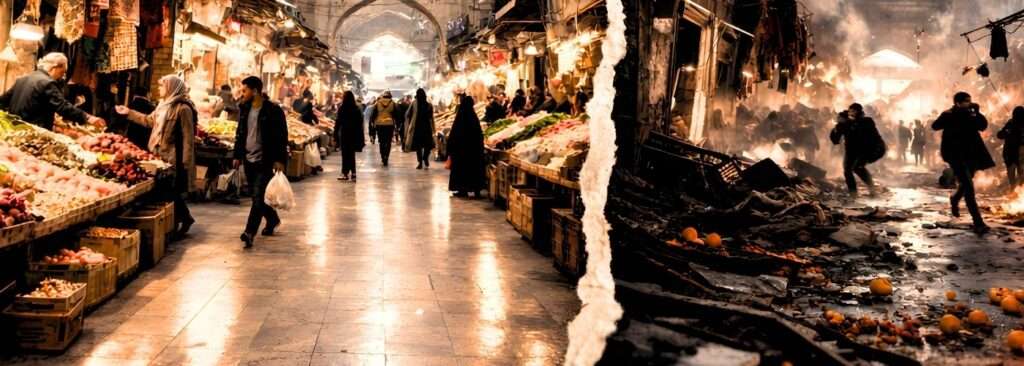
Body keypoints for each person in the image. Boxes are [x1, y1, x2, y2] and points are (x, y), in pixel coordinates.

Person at [115, 75, 197, 238]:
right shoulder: (162, 106)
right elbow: (148, 121)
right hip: (157, 155)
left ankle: (177, 223)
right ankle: (182, 220)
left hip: (172, 157)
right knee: (166, 191)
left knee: (171, 191)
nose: (159, 89)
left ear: (171, 87)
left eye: (162, 86)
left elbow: (188, 138)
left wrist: (186, 163)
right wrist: (129, 113)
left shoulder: (183, 109)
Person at [233, 76, 289, 248]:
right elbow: (240, 133)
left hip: (266, 159)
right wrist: (237, 155)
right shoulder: (244, 108)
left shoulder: (273, 110)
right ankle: (272, 219)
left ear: (255, 91)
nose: (242, 94)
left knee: (257, 198)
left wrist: (280, 159)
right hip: (249, 159)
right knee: (256, 196)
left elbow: (281, 136)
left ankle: (249, 233)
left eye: (245, 90)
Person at [933, 92, 994, 234]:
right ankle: (978, 222)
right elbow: (935, 126)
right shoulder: (948, 114)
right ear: (957, 103)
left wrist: (977, 113)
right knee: (968, 187)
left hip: (971, 155)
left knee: (966, 183)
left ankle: (954, 199)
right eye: (966, 101)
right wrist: (944, 115)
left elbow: (982, 126)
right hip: (955, 155)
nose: (969, 103)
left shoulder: (971, 114)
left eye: (970, 101)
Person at [0, 52, 105, 130]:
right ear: (55, 67)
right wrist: (88, 117)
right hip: (32, 131)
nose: (61, 77)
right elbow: (63, 106)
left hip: (13, 128)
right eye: (62, 72)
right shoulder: (47, 82)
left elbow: (3, 100)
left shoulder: (23, 79)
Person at [830, 103, 885, 198]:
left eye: (854, 110)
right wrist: (837, 127)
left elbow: (863, 132)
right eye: (850, 110)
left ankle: (872, 190)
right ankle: (853, 194)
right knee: (847, 170)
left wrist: (848, 122)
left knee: (858, 167)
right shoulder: (844, 124)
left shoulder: (867, 121)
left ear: (859, 111)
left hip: (867, 149)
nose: (852, 113)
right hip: (851, 150)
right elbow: (835, 140)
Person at [447, 95, 486, 198]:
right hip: (474, 151)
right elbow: (479, 135)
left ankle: (462, 190)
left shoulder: (460, 117)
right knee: (474, 169)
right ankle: (476, 190)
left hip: (461, 151)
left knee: (462, 170)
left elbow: (454, 134)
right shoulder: (474, 117)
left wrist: (450, 148)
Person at [335, 91, 364, 181]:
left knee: (345, 154)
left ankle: (345, 173)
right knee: (351, 154)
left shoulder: (342, 108)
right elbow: (360, 123)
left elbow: (338, 122)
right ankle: (353, 174)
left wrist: (335, 133)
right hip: (354, 134)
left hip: (345, 133)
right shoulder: (356, 109)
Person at [405, 88, 436, 169]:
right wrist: (433, 128)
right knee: (428, 145)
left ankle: (420, 162)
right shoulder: (429, 105)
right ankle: (425, 158)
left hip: (417, 128)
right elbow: (431, 118)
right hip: (427, 128)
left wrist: (409, 123)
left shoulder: (414, 104)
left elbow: (407, 114)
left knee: (419, 146)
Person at [369, 91, 401, 166]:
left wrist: (372, 123)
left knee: (381, 141)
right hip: (389, 125)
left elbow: (373, 114)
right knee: (388, 142)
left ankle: (383, 156)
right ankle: (387, 156)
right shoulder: (393, 104)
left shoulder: (377, 103)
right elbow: (397, 115)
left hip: (379, 124)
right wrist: (397, 125)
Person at [998, 106, 1024, 186]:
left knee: (1014, 172)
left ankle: (1015, 189)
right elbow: (1000, 135)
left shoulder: (1011, 123)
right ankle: (1016, 189)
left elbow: (1000, 135)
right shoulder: (1011, 123)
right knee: (1018, 171)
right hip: (1013, 151)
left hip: (1012, 151)